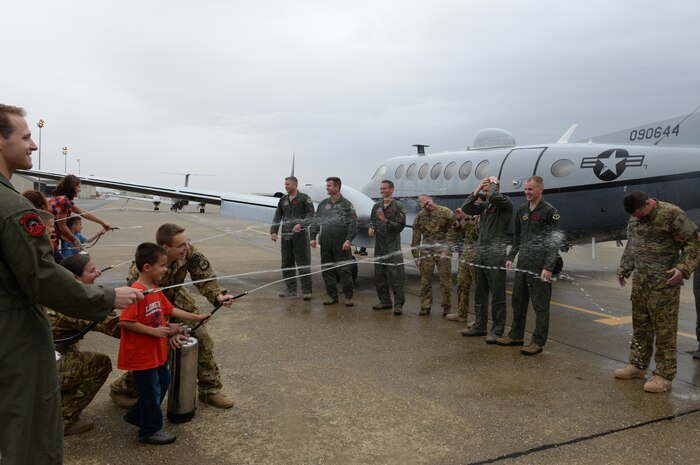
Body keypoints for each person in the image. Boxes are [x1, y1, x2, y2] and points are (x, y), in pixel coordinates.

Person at [0, 104, 142, 465]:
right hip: (13, 334)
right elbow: (43, 279)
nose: (33, 145)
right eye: (26, 136)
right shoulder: (15, 209)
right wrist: (109, 296)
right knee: (31, 430)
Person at [110, 223, 236, 409]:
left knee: (201, 340)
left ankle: (210, 391)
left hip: (175, 300)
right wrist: (169, 331)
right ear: (166, 248)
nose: (187, 247)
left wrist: (218, 296)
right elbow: (144, 308)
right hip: (151, 309)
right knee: (158, 353)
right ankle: (123, 389)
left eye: (187, 242)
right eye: (181, 245)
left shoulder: (189, 253)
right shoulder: (141, 271)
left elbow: (205, 278)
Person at [119, 242, 210, 444]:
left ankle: (136, 414)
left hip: (156, 353)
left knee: (163, 381)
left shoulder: (155, 289)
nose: (166, 269)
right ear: (147, 268)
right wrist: (155, 331)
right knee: (151, 392)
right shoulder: (137, 292)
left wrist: (197, 317)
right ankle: (150, 431)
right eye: (162, 265)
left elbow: (171, 310)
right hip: (142, 355)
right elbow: (125, 321)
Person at [615, 191, 699, 393]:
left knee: (665, 332)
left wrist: (683, 268)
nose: (637, 218)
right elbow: (632, 243)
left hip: (664, 284)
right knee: (641, 327)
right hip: (641, 283)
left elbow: (693, 242)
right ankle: (637, 365)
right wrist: (624, 268)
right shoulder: (636, 216)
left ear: (648, 203)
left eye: (640, 214)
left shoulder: (671, 214)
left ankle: (664, 376)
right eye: (634, 216)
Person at [50, 254, 121, 435]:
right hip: (39, 370)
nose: (98, 273)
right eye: (91, 271)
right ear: (74, 278)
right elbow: (117, 328)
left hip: (33, 361)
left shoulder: (53, 291)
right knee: (99, 364)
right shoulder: (75, 305)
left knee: (73, 352)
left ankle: (49, 406)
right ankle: (63, 421)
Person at [497, 176, 562, 355]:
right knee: (518, 301)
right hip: (523, 264)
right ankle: (516, 335)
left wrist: (548, 267)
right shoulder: (522, 210)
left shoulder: (550, 212)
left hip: (540, 266)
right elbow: (518, 238)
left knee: (540, 305)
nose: (527, 192)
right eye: (525, 189)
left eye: (530, 189)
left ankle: (538, 341)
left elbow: (554, 242)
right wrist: (511, 256)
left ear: (540, 189)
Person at [460, 177, 513, 343]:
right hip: (482, 254)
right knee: (480, 292)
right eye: (484, 190)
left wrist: (494, 184)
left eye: (487, 189)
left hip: (495, 255)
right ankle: (480, 325)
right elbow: (466, 208)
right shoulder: (485, 207)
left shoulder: (504, 203)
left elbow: (494, 197)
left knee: (497, 294)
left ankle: (497, 330)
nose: (485, 193)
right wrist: (476, 189)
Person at [309, 177, 358, 307]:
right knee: (327, 270)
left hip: (341, 244)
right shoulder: (323, 204)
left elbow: (353, 224)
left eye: (329, 186)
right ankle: (332, 296)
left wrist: (348, 240)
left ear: (337, 187)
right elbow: (316, 221)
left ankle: (348, 297)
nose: (327, 188)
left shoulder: (347, 205)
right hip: (325, 243)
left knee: (344, 270)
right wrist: (312, 237)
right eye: (327, 185)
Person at [270, 176, 315, 300]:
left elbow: (311, 215)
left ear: (295, 185)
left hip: (300, 237)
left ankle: (307, 291)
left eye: (288, 184)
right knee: (286, 264)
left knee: (303, 264)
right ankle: (291, 290)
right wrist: (274, 231)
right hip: (286, 237)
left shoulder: (304, 198)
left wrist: (301, 224)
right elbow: (277, 215)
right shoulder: (283, 199)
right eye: (285, 184)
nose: (285, 186)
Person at [411, 195, 455, 316]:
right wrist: (416, 255)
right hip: (426, 252)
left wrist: (447, 250)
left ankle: (447, 308)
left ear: (431, 199)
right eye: (423, 204)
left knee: (445, 282)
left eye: (427, 202)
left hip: (442, 252)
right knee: (425, 281)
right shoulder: (420, 216)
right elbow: (416, 237)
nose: (426, 205)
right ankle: (425, 306)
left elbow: (452, 232)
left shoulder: (446, 212)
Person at [368, 180, 407, 315]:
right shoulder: (377, 206)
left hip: (393, 248)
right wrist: (371, 227)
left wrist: (385, 220)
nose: (382, 190)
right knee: (379, 276)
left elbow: (399, 227)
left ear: (391, 189)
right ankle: (385, 301)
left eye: (384, 188)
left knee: (396, 277)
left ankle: (398, 305)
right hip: (379, 247)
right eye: (381, 188)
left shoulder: (398, 206)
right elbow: (372, 220)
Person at [47, 174, 111, 252]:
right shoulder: (63, 201)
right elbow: (62, 227)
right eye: (78, 186)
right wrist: (75, 241)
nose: (80, 189)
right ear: (71, 187)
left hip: (50, 237)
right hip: (49, 239)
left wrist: (102, 222)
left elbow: (83, 212)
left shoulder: (60, 199)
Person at [445, 207, 480, 323]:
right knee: (462, 284)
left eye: (477, 201)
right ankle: (461, 313)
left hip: (477, 256)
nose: (475, 203)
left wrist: (466, 217)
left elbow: (478, 232)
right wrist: (459, 220)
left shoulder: (483, 215)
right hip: (465, 255)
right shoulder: (470, 215)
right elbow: (459, 230)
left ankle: (479, 319)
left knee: (479, 288)